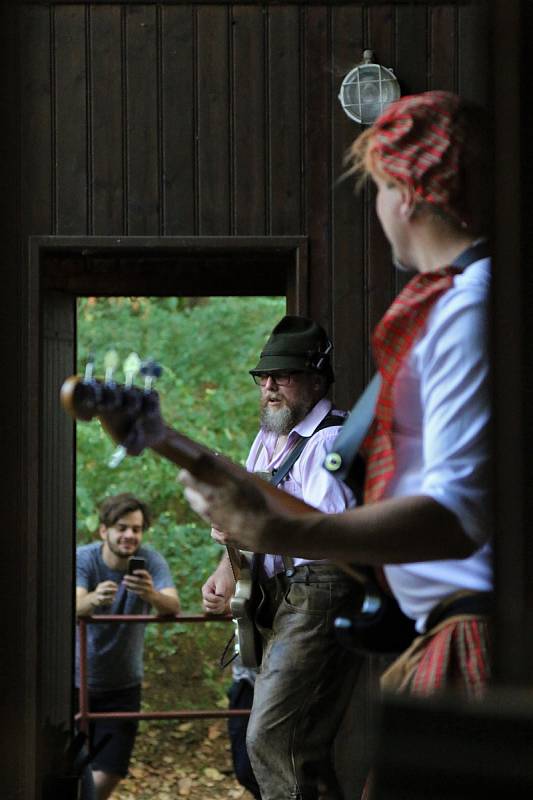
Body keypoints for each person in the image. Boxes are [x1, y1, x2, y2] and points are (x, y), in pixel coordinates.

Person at [182, 91, 493, 705]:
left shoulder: (468, 309)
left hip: (478, 635)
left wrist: (273, 531)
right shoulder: (469, 301)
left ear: (406, 192)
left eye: (377, 188)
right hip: (447, 628)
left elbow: (456, 517)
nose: (377, 206)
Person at [200, 315, 361, 800]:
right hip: (287, 597)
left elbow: (324, 538)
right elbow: (248, 522)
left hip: (321, 592)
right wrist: (226, 570)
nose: (269, 386)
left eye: (283, 375)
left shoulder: (332, 440)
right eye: (263, 377)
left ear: (316, 379)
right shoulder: (269, 436)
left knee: (268, 739)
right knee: (303, 750)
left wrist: (249, 529)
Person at [76, 493, 180, 800]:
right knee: (67, 766)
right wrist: (93, 600)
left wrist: (151, 594)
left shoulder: (150, 561)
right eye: (122, 528)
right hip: (75, 682)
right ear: (104, 531)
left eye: (136, 529)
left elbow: (172, 605)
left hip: (123, 686)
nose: (130, 536)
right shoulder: (86, 558)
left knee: (111, 768)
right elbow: (71, 603)